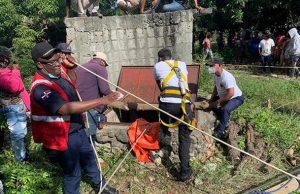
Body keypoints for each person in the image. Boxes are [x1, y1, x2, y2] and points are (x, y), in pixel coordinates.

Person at [30, 41, 120, 194]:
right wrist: (102, 100)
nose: (59, 63)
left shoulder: (59, 73)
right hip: (64, 136)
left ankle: (102, 187)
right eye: (53, 62)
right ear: (40, 64)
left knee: (91, 160)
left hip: (78, 130)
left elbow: (73, 81)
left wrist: (72, 67)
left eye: (59, 59)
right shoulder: (40, 88)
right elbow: (65, 108)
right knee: (73, 173)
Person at [153, 48, 195, 182]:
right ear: (171, 57)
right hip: (184, 104)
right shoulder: (182, 64)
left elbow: (160, 85)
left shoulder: (157, 66)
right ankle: (184, 172)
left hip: (167, 104)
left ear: (160, 58)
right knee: (184, 137)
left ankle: (164, 145)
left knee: (164, 124)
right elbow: (184, 82)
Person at [0, 46, 30, 162]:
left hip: (13, 107)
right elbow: (14, 87)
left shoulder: (6, 72)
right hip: (13, 107)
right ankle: (20, 160)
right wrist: (16, 72)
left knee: (18, 133)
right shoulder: (3, 74)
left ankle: (20, 157)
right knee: (18, 134)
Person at [76, 52, 113, 144]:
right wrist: (115, 95)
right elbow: (105, 90)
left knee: (82, 136)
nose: (105, 66)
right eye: (105, 64)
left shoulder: (81, 67)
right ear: (102, 61)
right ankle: (92, 157)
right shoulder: (100, 68)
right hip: (91, 107)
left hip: (78, 106)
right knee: (90, 140)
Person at [207, 58, 244, 139]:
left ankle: (220, 131)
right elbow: (216, 87)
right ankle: (224, 119)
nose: (210, 67)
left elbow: (231, 93)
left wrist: (219, 102)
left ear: (220, 65)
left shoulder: (226, 77)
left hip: (236, 98)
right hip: (225, 95)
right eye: (210, 66)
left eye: (212, 65)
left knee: (226, 109)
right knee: (212, 105)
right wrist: (212, 99)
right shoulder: (216, 75)